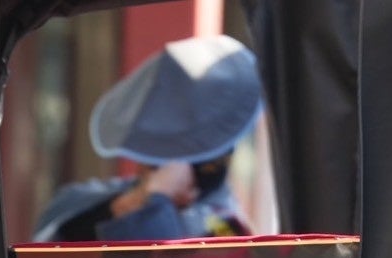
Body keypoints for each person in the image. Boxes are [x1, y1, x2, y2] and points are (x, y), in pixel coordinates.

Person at [32, 34, 263, 243]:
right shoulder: (87, 200)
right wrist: (131, 204)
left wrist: (156, 203)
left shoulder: (225, 231)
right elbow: (47, 250)